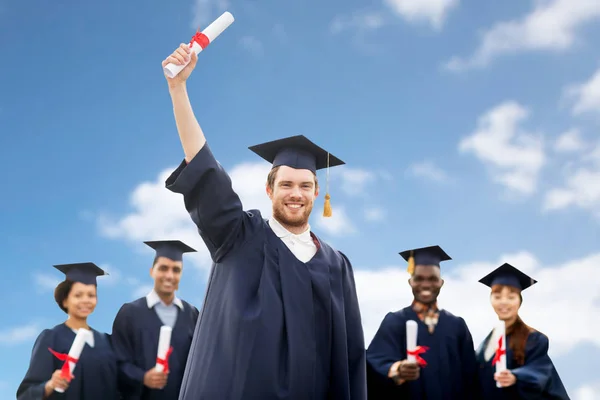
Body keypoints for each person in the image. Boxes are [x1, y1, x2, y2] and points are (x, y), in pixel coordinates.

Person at [159, 43, 366, 399]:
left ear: (317, 193)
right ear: (269, 190)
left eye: (304, 186)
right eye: (286, 184)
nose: (295, 194)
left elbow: (349, 358)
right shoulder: (238, 237)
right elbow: (203, 166)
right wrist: (178, 89)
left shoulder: (337, 265)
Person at [366, 245, 479, 399]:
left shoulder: (457, 325)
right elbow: (374, 362)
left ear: (441, 282)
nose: (426, 285)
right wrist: (397, 370)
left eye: (432, 279)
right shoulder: (395, 321)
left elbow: (471, 376)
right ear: (410, 282)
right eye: (419, 278)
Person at [17, 262, 120, 399]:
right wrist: (50, 385)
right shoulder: (52, 338)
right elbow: (26, 395)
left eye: (91, 295)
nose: (86, 300)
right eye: (78, 295)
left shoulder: (107, 341)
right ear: (65, 300)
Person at [111, 240, 199, 400]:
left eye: (176, 270)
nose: (169, 276)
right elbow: (117, 362)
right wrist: (142, 377)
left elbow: (199, 362)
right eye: (163, 268)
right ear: (152, 271)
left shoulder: (192, 314)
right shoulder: (130, 312)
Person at [476, 263, 570, 399]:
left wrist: (516, 377)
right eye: (497, 297)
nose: (504, 302)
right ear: (491, 300)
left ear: (519, 301)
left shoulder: (533, 338)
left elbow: (540, 370)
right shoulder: (489, 341)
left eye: (511, 297)